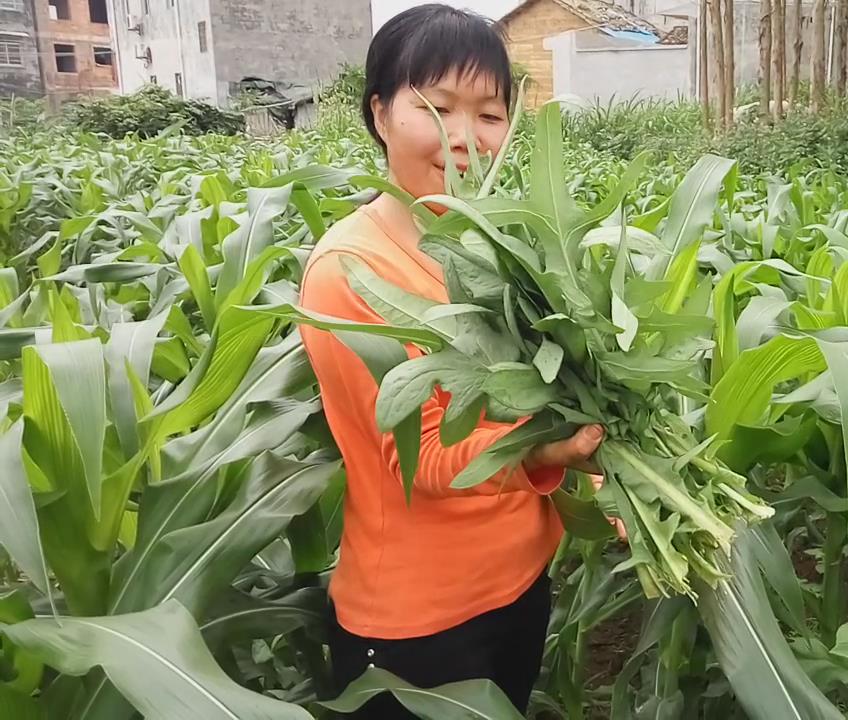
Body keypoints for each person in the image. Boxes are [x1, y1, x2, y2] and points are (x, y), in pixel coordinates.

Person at [297, 6, 604, 717]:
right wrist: (543, 449)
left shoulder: (495, 249)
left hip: (521, 584)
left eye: (490, 114)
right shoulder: (349, 269)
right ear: (380, 113)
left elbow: (542, 389)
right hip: (419, 626)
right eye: (434, 109)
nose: (464, 138)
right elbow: (421, 456)